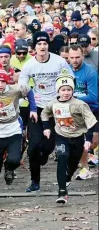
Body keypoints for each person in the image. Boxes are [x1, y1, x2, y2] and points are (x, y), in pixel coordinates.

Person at [18, 31, 73, 192]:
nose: (42, 46)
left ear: (48, 45)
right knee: (34, 145)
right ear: (34, 47)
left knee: (48, 145)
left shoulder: (59, 62)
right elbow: (23, 87)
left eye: (44, 43)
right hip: (37, 107)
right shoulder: (29, 64)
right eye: (39, 44)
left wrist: (64, 97)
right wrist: (27, 96)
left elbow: (70, 80)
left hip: (56, 107)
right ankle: (35, 182)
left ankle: (43, 156)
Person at [0, 62, 37, 206]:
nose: (0, 84)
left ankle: (9, 168)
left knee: (14, 159)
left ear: (7, 81)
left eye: (3, 81)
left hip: (13, 128)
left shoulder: (14, 89)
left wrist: (33, 109)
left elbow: (29, 91)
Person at [41, 71, 97, 204]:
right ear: (58, 90)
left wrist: (88, 140)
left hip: (78, 137)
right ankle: (62, 192)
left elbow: (92, 121)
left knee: (72, 165)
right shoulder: (53, 103)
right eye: (63, 90)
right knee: (62, 158)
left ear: (72, 90)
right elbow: (45, 113)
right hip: (61, 136)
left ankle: (68, 176)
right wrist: (47, 127)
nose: (66, 92)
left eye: (69, 89)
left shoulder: (80, 104)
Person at [68, 45, 98, 180]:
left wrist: (72, 98)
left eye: (77, 57)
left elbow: (92, 97)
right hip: (74, 111)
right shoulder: (65, 71)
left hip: (92, 108)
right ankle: (84, 168)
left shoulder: (90, 72)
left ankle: (93, 153)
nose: (74, 60)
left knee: (93, 141)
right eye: (72, 58)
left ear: (83, 56)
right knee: (81, 140)